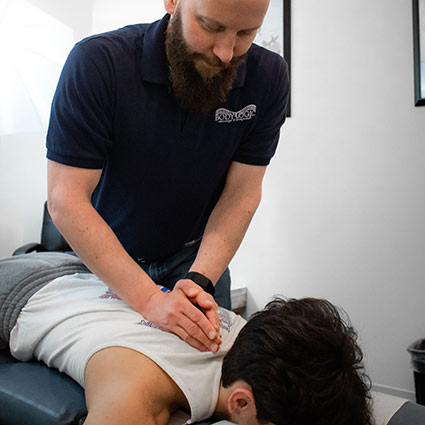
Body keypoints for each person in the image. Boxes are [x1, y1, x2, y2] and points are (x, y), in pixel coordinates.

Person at [45, 0, 290, 354]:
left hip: (196, 259)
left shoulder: (268, 77)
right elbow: (66, 200)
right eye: (211, 26)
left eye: (246, 33)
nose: (225, 53)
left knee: (212, 371)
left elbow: (242, 193)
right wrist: (149, 300)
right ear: (173, 2)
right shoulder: (99, 63)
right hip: (108, 259)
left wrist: (198, 281)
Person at [1, 253, 372, 425]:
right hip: (17, 291)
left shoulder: (257, 339)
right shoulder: (138, 390)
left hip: (83, 275)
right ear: (242, 401)